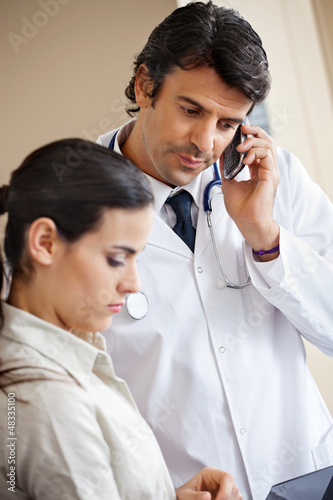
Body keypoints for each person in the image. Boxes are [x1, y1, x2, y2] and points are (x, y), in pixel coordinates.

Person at [96, 2, 333, 499]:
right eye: (191, 110)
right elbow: (47, 414)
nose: (205, 142)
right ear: (144, 85)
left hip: (308, 480)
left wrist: (267, 239)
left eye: (228, 123)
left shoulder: (276, 178)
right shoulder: (75, 208)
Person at [0, 139, 243, 500]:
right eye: (116, 259)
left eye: (136, 260)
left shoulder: (66, 355)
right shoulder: (48, 404)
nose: (133, 284)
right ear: (45, 242)